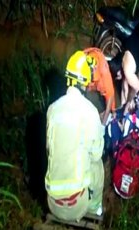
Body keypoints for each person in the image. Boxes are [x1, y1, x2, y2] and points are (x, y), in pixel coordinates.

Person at [45, 51, 105, 222]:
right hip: (76, 206)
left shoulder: (52, 109)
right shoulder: (90, 112)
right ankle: (95, 209)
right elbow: (96, 154)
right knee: (97, 165)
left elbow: (49, 148)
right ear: (85, 82)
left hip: (52, 202)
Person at [83, 47, 116, 125]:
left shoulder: (105, 76)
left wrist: (103, 125)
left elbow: (110, 97)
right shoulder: (84, 62)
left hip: (99, 81)